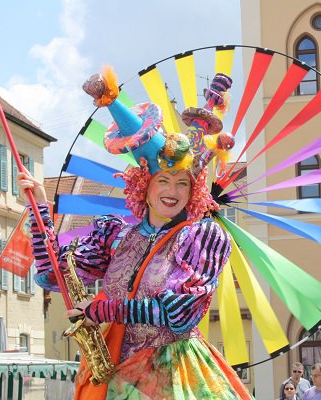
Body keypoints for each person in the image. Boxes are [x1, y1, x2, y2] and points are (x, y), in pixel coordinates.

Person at [19, 68, 251, 399]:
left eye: (182, 183)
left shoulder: (201, 237)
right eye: (164, 181)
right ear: (145, 185)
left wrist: (111, 310)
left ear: (193, 190)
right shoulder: (117, 236)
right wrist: (40, 207)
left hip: (171, 375)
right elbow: (54, 274)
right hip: (113, 372)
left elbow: (181, 313)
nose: (172, 191)